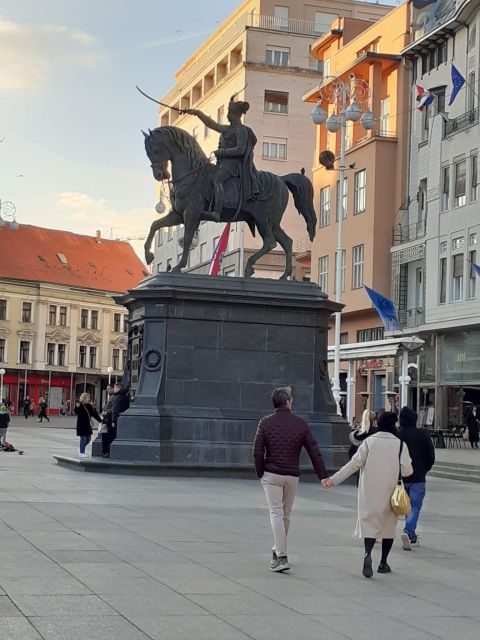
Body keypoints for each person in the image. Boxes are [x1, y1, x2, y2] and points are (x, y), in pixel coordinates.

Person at [323, 411, 413, 578]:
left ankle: (367, 554)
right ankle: (383, 562)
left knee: (370, 526)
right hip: (390, 490)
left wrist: (333, 480)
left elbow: (354, 464)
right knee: (388, 528)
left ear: (378, 423)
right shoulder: (400, 444)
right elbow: (407, 471)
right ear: (394, 425)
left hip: (369, 490)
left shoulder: (369, 442)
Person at [253, 386, 328, 573]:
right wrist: (323, 475)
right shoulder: (300, 424)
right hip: (292, 474)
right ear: (287, 402)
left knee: (276, 513)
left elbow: (257, 451)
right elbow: (314, 450)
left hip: (272, 474)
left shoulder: (265, 423)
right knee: (285, 514)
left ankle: (281, 555)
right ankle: (277, 550)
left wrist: (260, 472)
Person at [186, 98, 260, 221]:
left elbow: (240, 150)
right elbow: (212, 124)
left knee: (217, 179)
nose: (227, 115)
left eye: (229, 112)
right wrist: (197, 113)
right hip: (223, 163)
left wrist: (222, 152)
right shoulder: (227, 128)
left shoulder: (242, 130)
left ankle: (217, 212)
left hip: (234, 165)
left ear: (236, 114)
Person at [398, 406, 435, 550]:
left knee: (404, 506)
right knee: (415, 507)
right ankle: (409, 531)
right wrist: (424, 469)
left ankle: (410, 534)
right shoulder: (423, 435)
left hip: (401, 478)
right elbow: (431, 456)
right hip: (418, 477)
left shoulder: (398, 435)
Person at [74, 392, 101, 458]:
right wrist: (77, 407)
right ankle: (81, 453)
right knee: (83, 438)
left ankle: (81, 449)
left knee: (88, 439)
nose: (89, 399)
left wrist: (100, 421)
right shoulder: (80, 405)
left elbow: (94, 414)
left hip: (87, 425)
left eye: (89, 398)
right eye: (88, 398)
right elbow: (76, 412)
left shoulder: (89, 406)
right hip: (81, 425)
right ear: (84, 398)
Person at [100, 384, 115, 458]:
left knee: (107, 436)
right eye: (107, 388)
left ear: (113, 389)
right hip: (106, 419)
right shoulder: (109, 397)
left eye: (109, 388)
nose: (107, 390)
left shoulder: (114, 397)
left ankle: (106, 452)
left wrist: (106, 411)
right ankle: (104, 451)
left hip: (109, 419)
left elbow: (114, 408)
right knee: (104, 435)